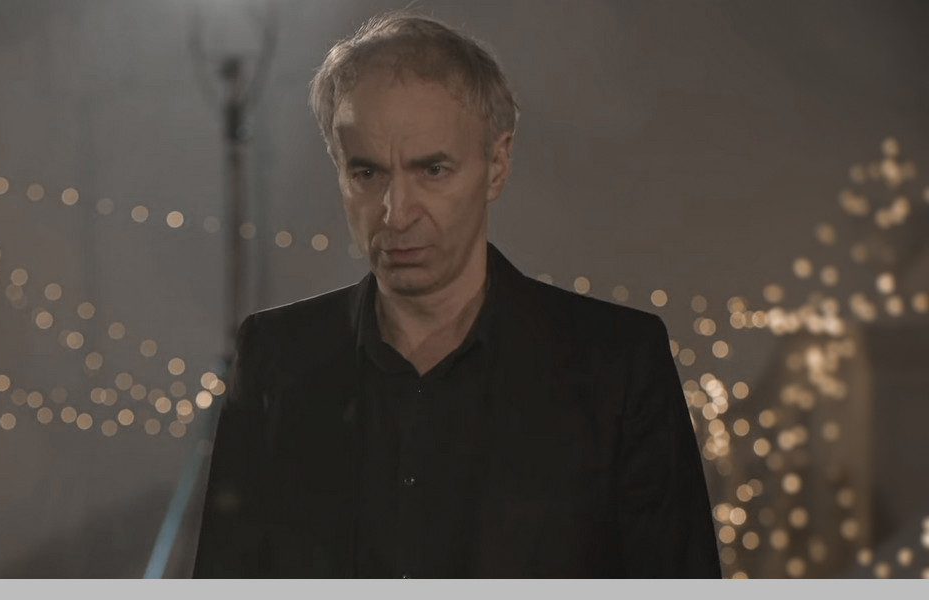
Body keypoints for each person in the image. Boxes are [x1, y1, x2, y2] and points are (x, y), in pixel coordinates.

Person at [192, 10, 721, 578]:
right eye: (367, 174)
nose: (397, 213)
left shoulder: (617, 366)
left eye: (433, 171)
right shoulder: (276, 359)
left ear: (497, 165)